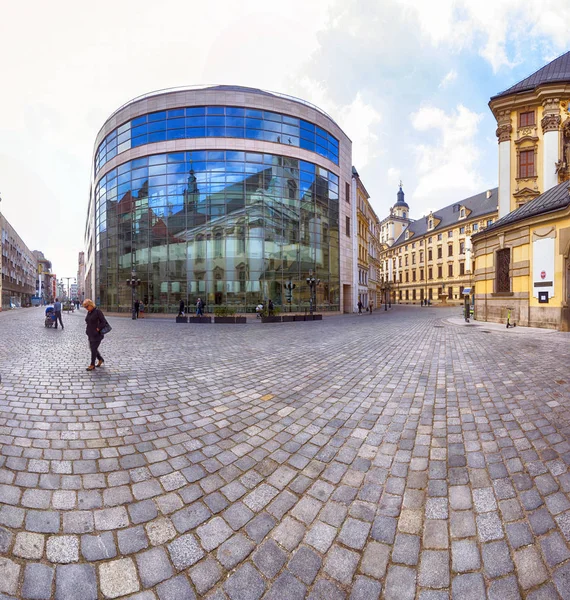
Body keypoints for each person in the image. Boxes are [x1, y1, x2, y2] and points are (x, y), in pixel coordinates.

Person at [83, 299, 107, 371]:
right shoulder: (89, 312)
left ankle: (92, 364)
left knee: (93, 349)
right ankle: (100, 359)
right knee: (92, 348)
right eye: (85, 307)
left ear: (91, 305)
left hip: (97, 334)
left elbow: (103, 322)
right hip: (90, 333)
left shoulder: (98, 312)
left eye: (87, 306)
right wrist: (87, 330)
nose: (86, 308)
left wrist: (98, 329)